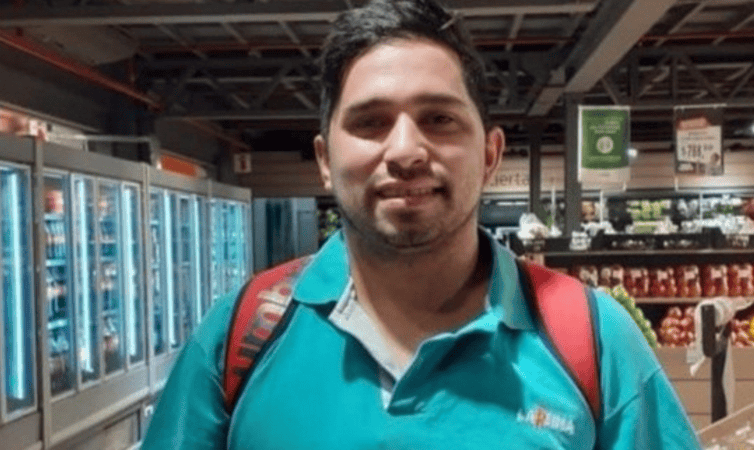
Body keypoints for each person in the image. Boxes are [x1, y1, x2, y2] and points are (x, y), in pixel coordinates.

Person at [141, 0, 702, 448]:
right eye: (370, 122)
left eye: (438, 118)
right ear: (324, 160)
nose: (406, 151)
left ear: (489, 154)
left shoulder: (592, 339)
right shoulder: (240, 337)